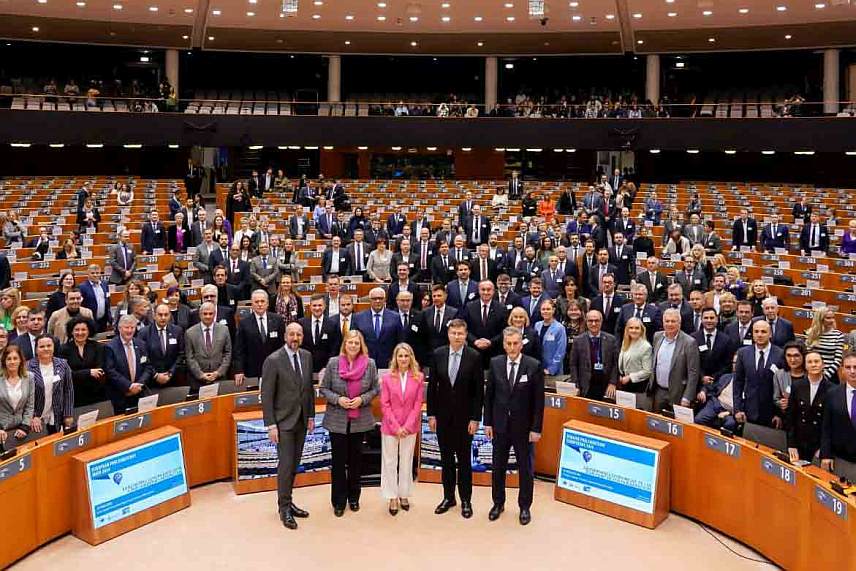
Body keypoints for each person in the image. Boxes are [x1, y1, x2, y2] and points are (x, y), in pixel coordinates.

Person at [484, 327, 544, 526]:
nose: (512, 347)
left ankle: (525, 506)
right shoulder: (495, 363)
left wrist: (536, 429)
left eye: (515, 343)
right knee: (498, 467)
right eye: (508, 343)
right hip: (500, 426)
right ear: (503, 344)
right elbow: (489, 396)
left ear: (521, 344)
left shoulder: (533, 365)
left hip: (524, 429)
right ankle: (498, 503)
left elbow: (538, 402)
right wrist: (488, 423)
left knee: (525, 469)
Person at [261, 322, 315, 530]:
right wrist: (271, 425)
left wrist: (310, 415)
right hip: (283, 422)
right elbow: (266, 395)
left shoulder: (307, 356)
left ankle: (289, 501)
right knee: (285, 466)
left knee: (294, 464)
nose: (295, 338)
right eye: (291, 334)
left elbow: (308, 389)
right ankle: (283, 508)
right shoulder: (273, 360)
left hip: (301, 420)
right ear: (285, 336)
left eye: (298, 334)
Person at [320, 330, 380, 517]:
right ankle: (339, 501)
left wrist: (362, 399)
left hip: (360, 420)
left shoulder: (370, 364)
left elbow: (375, 388)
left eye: (356, 343)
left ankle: (354, 498)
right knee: (338, 463)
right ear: (344, 344)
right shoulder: (333, 363)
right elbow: (323, 388)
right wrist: (338, 400)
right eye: (350, 342)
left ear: (361, 345)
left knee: (356, 462)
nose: (353, 346)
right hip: (337, 419)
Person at [380, 343, 424, 515]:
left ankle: (404, 494)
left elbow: (417, 404)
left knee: (406, 461)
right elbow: (384, 404)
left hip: (410, 427)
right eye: (400, 356)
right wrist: (396, 427)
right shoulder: (387, 377)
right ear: (395, 358)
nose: (403, 359)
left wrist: (406, 426)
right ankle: (392, 496)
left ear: (411, 357)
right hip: (390, 427)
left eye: (406, 356)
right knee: (390, 462)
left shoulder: (418, 377)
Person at [733, 320, 785, 427]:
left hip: (771, 414)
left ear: (770, 334)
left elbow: (783, 387)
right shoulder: (743, 353)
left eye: (763, 332)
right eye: (756, 331)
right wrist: (737, 409)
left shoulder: (780, 354)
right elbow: (738, 383)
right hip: (748, 411)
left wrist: (779, 414)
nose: (759, 335)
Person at [648, 308, 700, 413]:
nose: (670, 324)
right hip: (659, 391)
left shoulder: (689, 342)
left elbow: (693, 373)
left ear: (679, 323)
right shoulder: (657, 336)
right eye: (667, 321)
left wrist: (687, 397)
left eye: (673, 321)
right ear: (663, 322)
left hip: (679, 394)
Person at [786, 351, 832, 463]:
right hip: (799, 443)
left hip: (819, 446)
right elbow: (791, 417)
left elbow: (831, 424)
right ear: (805, 366)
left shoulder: (832, 389)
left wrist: (824, 449)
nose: (813, 364)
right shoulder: (797, 386)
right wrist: (791, 444)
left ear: (823, 364)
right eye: (810, 362)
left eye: (817, 361)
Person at [233, 290, 285, 385]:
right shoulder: (244, 323)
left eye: (262, 301)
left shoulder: (278, 320)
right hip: (252, 370)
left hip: (275, 368)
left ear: (267, 303)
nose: (260, 304)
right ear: (252, 304)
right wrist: (239, 370)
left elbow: (283, 346)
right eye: (256, 302)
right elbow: (239, 350)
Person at [104, 314, 151, 414]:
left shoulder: (141, 344)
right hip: (120, 396)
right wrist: (129, 386)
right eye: (126, 327)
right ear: (120, 328)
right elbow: (110, 371)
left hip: (139, 393)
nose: (129, 330)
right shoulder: (110, 347)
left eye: (132, 327)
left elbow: (148, 367)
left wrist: (139, 384)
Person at [568, 310, 619, 400]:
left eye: (596, 321)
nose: (594, 324)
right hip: (585, 385)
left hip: (605, 385)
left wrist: (613, 383)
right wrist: (575, 384)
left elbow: (615, 364)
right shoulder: (578, 340)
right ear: (586, 322)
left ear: (601, 322)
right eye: (590, 321)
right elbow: (573, 365)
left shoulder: (611, 340)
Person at [28, 335, 74, 435]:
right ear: (36, 349)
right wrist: (32, 416)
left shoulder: (63, 364)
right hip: (36, 419)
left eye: (49, 346)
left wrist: (68, 414)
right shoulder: (28, 367)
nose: (46, 349)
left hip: (56, 415)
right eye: (42, 346)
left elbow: (68, 390)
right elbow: (26, 397)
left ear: (54, 347)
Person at [819, 352, 856, 475]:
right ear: (842, 370)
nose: (852, 371)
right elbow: (826, 427)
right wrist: (825, 454)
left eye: (855, 367)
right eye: (848, 367)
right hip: (841, 458)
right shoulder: (832, 393)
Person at [184, 301, 232, 392]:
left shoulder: (224, 330)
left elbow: (228, 353)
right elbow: (190, 357)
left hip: (219, 379)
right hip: (197, 382)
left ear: (214, 314)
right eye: (205, 314)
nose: (208, 316)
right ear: (200, 314)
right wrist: (200, 374)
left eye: (210, 314)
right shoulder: (190, 333)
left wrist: (219, 372)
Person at [138, 303, 185, 393]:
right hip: (151, 381)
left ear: (170, 316)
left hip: (173, 379)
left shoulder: (177, 331)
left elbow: (181, 354)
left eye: (166, 315)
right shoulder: (144, 333)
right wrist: (155, 375)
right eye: (160, 315)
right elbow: (143, 358)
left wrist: (170, 373)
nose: (163, 318)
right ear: (154, 316)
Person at [60, 316, 105, 408]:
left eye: (84, 329)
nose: (80, 333)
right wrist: (88, 372)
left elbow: (99, 371)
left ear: (89, 331)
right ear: (71, 332)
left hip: (96, 394)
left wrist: (78, 374)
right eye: (76, 330)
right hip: (73, 396)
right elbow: (66, 374)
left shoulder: (98, 347)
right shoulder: (63, 349)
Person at [352, 287, 402, 368]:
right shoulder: (358, 318)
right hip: (365, 364)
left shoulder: (395, 317)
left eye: (380, 298)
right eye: (374, 299)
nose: (377, 301)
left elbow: (400, 341)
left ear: (385, 299)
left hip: (389, 364)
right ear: (370, 300)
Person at [0, 345, 34, 445]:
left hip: (20, 430)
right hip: (2, 431)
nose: (12, 362)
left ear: (20, 360)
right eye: (9, 359)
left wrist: (25, 427)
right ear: (4, 362)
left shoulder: (29, 377)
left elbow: (30, 405)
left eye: (15, 358)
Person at [804, 306, 845, 383]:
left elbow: (838, 360)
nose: (832, 320)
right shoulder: (810, 333)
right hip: (812, 374)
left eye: (833, 318)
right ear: (820, 319)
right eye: (828, 318)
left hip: (830, 377)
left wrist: (824, 376)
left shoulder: (838, 335)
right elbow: (807, 355)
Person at [617, 317, 653, 394]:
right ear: (627, 329)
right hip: (623, 383)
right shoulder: (625, 342)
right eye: (631, 328)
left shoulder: (646, 347)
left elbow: (647, 371)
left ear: (641, 330)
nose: (634, 330)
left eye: (637, 328)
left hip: (637, 386)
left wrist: (630, 377)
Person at [299, 294, 330, 374]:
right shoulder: (301, 323)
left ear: (324, 306)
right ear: (310, 307)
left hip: (326, 369)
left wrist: (327, 367)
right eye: (314, 305)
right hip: (305, 367)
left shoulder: (332, 324)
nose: (317, 308)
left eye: (320, 305)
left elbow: (334, 348)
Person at [534, 299, 565, 375]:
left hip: (553, 370)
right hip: (538, 367)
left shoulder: (559, 328)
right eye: (543, 309)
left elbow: (560, 351)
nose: (545, 311)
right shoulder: (537, 325)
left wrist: (551, 369)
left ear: (553, 310)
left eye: (548, 309)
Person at [80, 264, 112, 333]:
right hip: (90, 321)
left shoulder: (104, 284)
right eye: (92, 273)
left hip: (103, 321)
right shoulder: (82, 287)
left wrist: (109, 318)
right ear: (88, 274)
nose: (95, 275)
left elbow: (108, 301)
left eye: (97, 273)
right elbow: (81, 305)